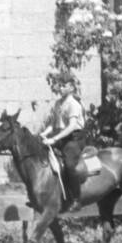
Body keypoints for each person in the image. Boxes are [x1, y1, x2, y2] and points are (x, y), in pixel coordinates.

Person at [40, 75, 87, 210]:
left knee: (69, 165)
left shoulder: (74, 104)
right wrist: (44, 134)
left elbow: (71, 126)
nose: (60, 88)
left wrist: (54, 139)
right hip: (60, 136)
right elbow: (53, 124)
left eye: (63, 85)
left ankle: (77, 199)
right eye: (59, 85)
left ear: (71, 88)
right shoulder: (58, 103)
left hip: (74, 139)